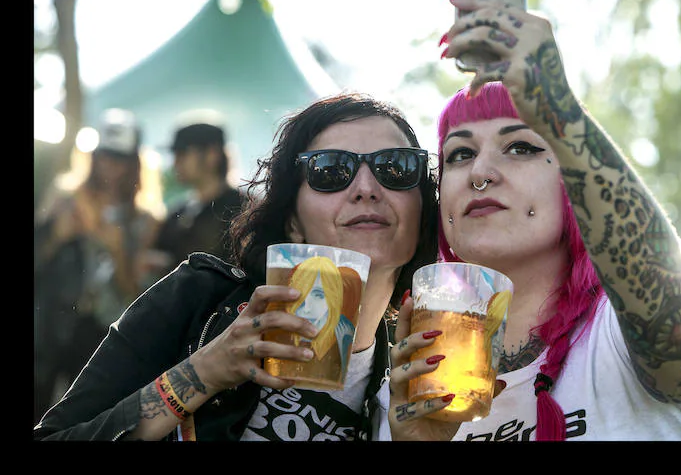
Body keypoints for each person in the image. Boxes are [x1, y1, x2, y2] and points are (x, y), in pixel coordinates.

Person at [387, 0, 681, 441]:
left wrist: (558, 110)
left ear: (575, 184)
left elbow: (663, 300)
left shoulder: (620, 336)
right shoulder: (410, 376)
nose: (481, 173)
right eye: (460, 154)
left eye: (522, 147)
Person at [33, 91, 439, 441]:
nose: (366, 189)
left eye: (395, 167)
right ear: (292, 221)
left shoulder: (412, 383)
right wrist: (204, 372)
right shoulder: (196, 300)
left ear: (421, 211)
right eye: (330, 170)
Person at [34, 108, 163, 425]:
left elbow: (137, 296)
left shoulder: (146, 217)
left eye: (120, 158)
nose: (111, 166)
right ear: (92, 156)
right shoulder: (66, 195)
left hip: (102, 333)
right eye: (105, 155)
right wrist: (56, 236)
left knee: (79, 419)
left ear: (135, 162)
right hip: (51, 325)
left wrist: (117, 250)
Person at [141, 120, 244, 281]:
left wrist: (168, 265)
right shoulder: (179, 212)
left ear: (212, 154)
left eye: (182, 154)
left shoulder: (243, 211)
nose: (175, 163)